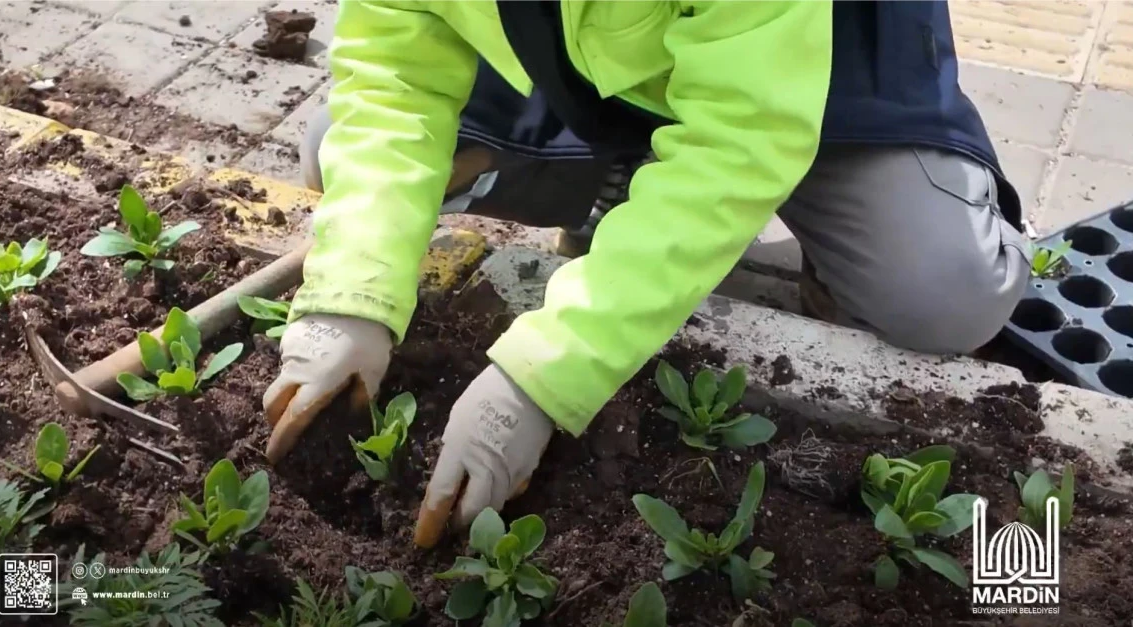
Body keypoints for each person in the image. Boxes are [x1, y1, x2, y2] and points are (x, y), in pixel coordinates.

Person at [263, 0, 1032, 547]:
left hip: (813, 49)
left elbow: (741, 135)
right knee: (338, 144)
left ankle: (761, 221)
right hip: (577, 48)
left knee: (945, 290)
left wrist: (544, 374)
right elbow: (395, 76)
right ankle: (627, 185)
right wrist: (351, 295)